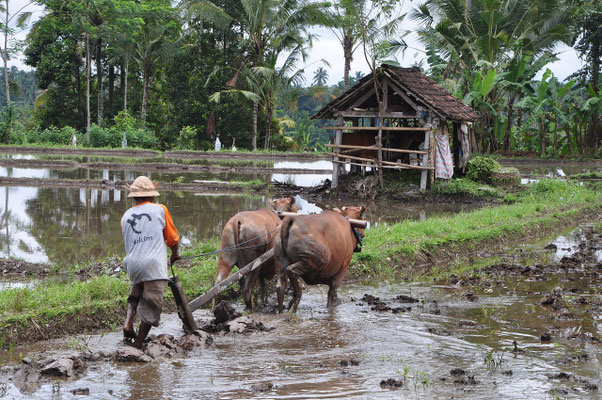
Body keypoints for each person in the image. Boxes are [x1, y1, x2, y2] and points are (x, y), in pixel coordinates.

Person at [121, 176, 181, 348]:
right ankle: (139, 343)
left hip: (132, 263)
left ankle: (128, 323)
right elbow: (173, 239)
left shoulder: (125, 216)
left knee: (136, 292)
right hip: (154, 264)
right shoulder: (160, 209)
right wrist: (175, 254)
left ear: (134, 196)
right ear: (152, 195)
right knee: (152, 303)